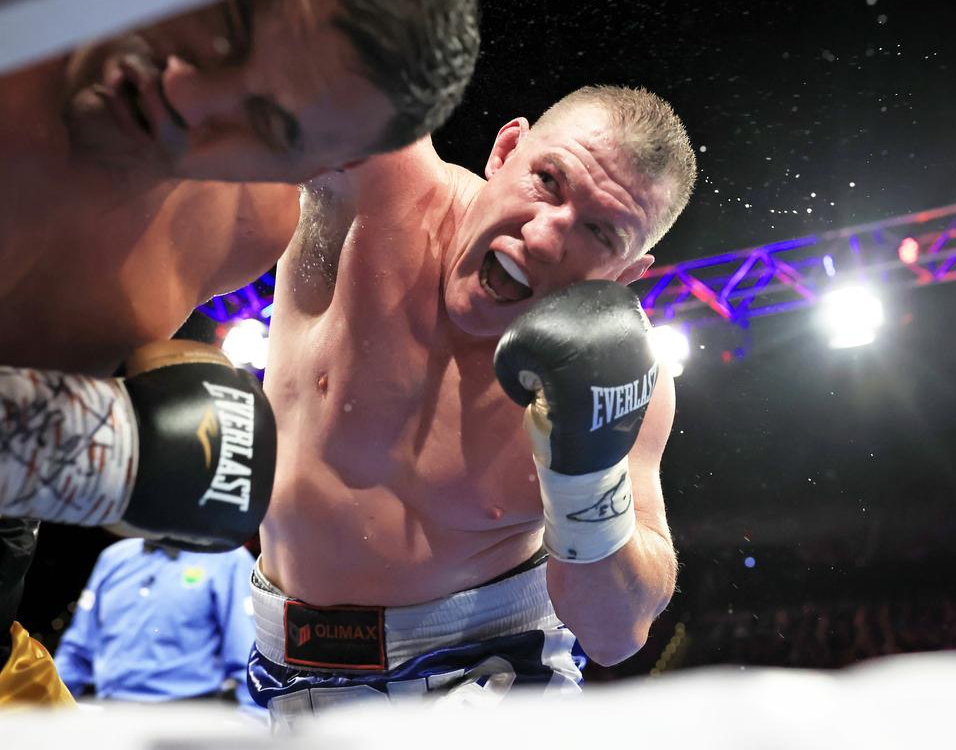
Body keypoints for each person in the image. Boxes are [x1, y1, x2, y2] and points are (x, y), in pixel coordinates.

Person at [0, 0, 480, 705]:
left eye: (266, 122)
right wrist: (90, 447)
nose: (185, 91)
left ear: (300, 169)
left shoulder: (245, 225)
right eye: (228, 25)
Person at [250, 84, 697, 721]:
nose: (545, 240)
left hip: (490, 676)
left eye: (599, 232)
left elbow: (616, 633)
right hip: (287, 674)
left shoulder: (628, 379)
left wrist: (587, 478)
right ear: (506, 148)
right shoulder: (381, 186)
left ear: (626, 274)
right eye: (548, 181)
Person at [53, 538, 258, 706]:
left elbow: (249, 663)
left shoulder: (229, 560)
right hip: (111, 714)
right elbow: (76, 652)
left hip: (190, 717)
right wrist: (44, 711)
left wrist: (250, 731)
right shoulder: (113, 558)